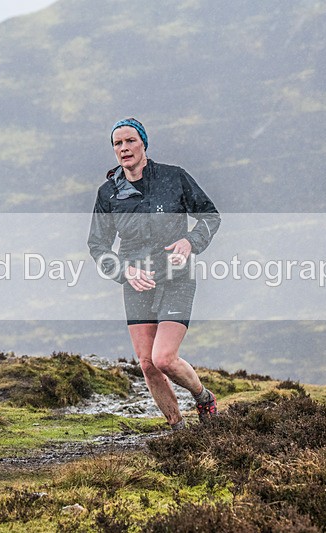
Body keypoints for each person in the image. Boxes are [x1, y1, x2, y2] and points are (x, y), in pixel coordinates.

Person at [88, 118, 222, 430]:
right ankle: (178, 427)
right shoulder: (109, 193)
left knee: (164, 358)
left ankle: (203, 398)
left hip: (176, 277)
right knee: (147, 364)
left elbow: (210, 216)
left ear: (144, 144)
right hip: (137, 282)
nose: (124, 148)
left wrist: (191, 241)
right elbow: (97, 245)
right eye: (118, 144)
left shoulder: (174, 178)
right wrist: (123, 271)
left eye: (130, 141)